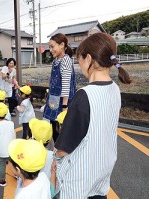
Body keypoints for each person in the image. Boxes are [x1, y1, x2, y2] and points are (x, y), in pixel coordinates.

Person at [52, 32, 132, 198]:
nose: (79, 65)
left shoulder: (84, 96)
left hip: (79, 181)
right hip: (102, 175)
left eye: (80, 59)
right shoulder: (114, 89)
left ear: (88, 59)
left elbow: (63, 148)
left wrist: (55, 159)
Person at [43, 33, 76, 143]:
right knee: (54, 130)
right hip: (54, 100)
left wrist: (65, 108)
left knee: (60, 134)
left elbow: (66, 86)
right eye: (49, 47)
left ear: (62, 45)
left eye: (52, 46)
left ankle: (60, 157)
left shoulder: (65, 60)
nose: (50, 49)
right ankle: (57, 156)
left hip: (62, 103)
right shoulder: (56, 60)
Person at [29, 118, 56, 197]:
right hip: (46, 192)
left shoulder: (28, 153)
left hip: (31, 191)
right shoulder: (53, 156)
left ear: (32, 136)